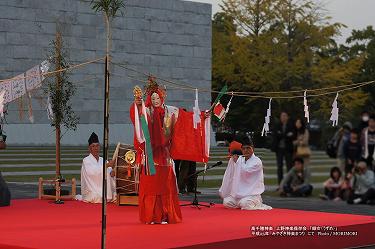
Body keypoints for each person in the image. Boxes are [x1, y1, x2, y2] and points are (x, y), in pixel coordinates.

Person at [130, 81, 182, 224]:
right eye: (152, 99)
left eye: (157, 98)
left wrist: (202, 116)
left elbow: (184, 119)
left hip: (164, 156)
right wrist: (138, 104)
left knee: (165, 186)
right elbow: (137, 118)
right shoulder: (146, 112)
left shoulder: (170, 112)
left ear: (162, 98)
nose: (155, 101)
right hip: (150, 156)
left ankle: (165, 215)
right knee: (151, 187)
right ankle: (151, 216)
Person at [219, 137, 272, 210]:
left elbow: (247, 171)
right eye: (243, 149)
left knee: (245, 203)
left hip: (252, 194)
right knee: (227, 202)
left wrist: (236, 162)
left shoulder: (257, 161)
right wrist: (233, 161)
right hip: (239, 194)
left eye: (248, 148)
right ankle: (240, 203)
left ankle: (253, 203)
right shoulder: (240, 160)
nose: (246, 150)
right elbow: (233, 173)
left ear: (252, 148)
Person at [80, 132, 116, 203]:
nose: (96, 148)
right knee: (97, 197)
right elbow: (92, 173)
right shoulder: (86, 160)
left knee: (112, 195)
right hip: (91, 189)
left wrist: (112, 172)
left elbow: (110, 172)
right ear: (89, 148)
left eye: (97, 146)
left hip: (105, 189)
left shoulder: (103, 160)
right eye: (93, 146)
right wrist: (106, 166)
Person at [272, 112, 295, 185]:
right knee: (279, 166)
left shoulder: (291, 125)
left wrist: (282, 135)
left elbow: (292, 136)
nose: (283, 117)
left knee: (289, 166)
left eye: (285, 116)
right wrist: (286, 135)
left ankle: (289, 183)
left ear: (287, 117)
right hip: (279, 149)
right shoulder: (277, 125)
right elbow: (276, 135)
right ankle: (280, 184)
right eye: (282, 116)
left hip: (288, 148)